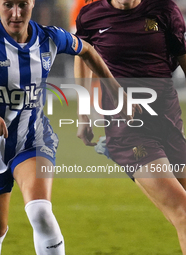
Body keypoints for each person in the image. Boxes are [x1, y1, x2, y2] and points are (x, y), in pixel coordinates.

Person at [0, 0, 136, 254]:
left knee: (40, 212)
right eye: (8, 5)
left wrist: (116, 91)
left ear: (32, 3)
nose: (16, 13)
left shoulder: (50, 38)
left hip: (33, 139)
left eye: (22, 4)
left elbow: (88, 50)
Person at [74, 0, 186, 253]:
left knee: (180, 213)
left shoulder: (164, 10)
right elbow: (83, 55)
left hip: (168, 122)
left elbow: (181, 55)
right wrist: (83, 115)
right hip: (128, 130)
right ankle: (117, 148)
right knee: (183, 213)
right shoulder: (91, 16)